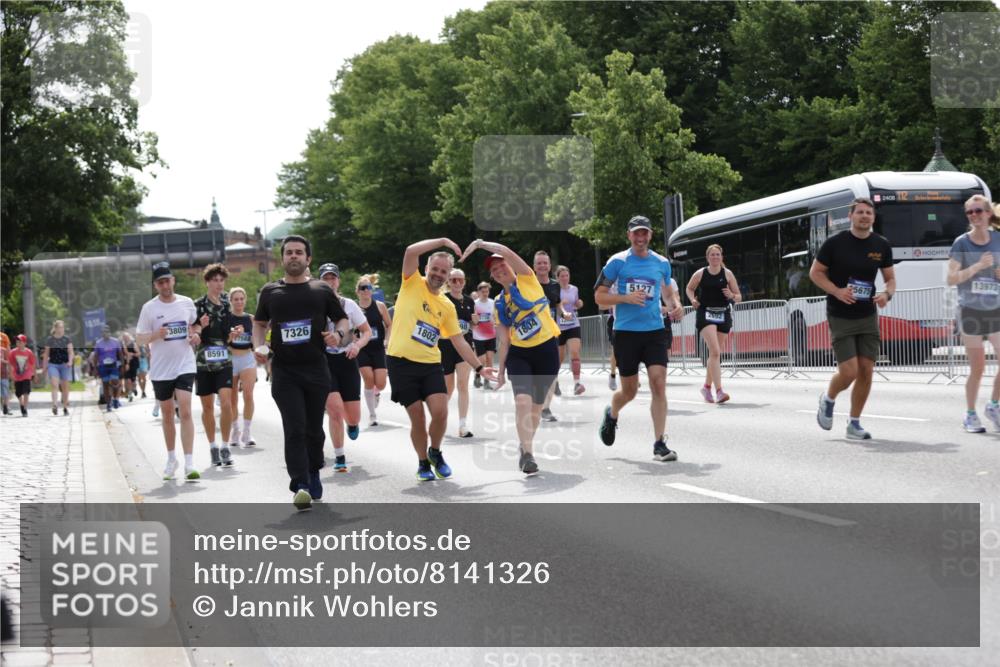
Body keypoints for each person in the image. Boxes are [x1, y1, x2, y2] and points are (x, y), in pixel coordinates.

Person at [253, 235, 349, 509]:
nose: (293, 256)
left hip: (316, 369)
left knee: (313, 429)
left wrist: (339, 335)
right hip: (284, 370)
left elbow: (340, 319)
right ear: (282, 259)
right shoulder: (270, 292)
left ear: (308, 259)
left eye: (299, 252)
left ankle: (314, 470)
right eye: (289, 253)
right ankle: (300, 484)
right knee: (294, 427)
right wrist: (259, 346)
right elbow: (259, 323)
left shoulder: (321, 290)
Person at [386, 238, 494, 482]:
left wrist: (479, 367)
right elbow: (410, 250)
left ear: (447, 277)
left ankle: (435, 452)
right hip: (400, 362)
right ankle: (422, 462)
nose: (438, 274)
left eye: (443, 271)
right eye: (434, 269)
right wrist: (444, 241)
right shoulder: (411, 282)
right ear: (426, 269)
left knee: (441, 411)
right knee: (418, 417)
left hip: (430, 363)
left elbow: (458, 340)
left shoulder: (447, 305)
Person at [462, 241, 561, 475]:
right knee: (522, 402)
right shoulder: (499, 303)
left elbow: (506, 251)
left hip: (546, 350)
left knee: (536, 408)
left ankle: (524, 444)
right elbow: (504, 341)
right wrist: (502, 372)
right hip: (520, 355)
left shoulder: (527, 278)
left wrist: (480, 244)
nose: (499, 271)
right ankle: (528, 455)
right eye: (494, 270)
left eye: (501, 266)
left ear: (511, 266)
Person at [595, 215, 684, 462]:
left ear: (651, 235)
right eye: (636, 233)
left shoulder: (661, 263)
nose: (640, 238)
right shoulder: (617, 262)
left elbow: (667, 292)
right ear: (629, 235)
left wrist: (676, 305)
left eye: (644, 233)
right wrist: (625, 298)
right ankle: (612, 413)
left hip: (654, 331)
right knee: (630, 391)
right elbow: (599, 297)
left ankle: (659, 444)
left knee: (658, 383)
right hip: (626, 333)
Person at [810, 197, 895, 440]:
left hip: (867, 314)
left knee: (867, 370)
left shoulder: (881, 245)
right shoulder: (835, 244)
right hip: (840, 314)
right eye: (860, 212)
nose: (865, 216)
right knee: (849, 372)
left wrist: (886, 294)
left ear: (873, 218)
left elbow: (890, 278)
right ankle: (828, 398)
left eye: (869, 213)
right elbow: (815, 273)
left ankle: (854, 423)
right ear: (851, 216)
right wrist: (837, 291)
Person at [136, 262, 201, 481]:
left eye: (167, 280)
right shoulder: (149, 308)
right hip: (161, 368)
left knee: (185, 410)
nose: (165, 285)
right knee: (166, 414)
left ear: (173, 280)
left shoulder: (187, 303)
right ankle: (172, 458)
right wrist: (156, 335)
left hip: (185, 363)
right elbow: (139, 338)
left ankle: (190, 462)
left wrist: (195, 335)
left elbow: (195, 325)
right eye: (160, 282)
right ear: (156, 285)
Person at [947, 194, 1000, 432]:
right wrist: (978, 265)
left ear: (988, 213)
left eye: (979, 211)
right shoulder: (961, 243)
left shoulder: (998, 239)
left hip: (995, 308)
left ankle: (994, 405)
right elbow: (951, 278)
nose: (975, 216)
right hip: (970, 310)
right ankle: (970, 414)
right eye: (970, 212)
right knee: (977, 367)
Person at [318, 263, 371, 473]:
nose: (330, 281)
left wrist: (357, 346)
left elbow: (365, 331)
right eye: (325, 278)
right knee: (334, 410)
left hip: (347, 360)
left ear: (338, 281)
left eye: (333, 278)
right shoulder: (314, 304)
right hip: (324, 362)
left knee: (353, 415)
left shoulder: (348, 304)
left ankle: (353, 424)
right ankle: (340, 456)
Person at [686, 244, 742, 404]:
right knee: (715, 351)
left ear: (721, 257)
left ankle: (706, 387)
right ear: (708, 257)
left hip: (723, 313)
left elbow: (739, 296)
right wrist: (693, 300)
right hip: (705, 313)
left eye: (718, 254)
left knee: (715, 355)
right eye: (713, 255)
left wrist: (732, 295)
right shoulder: (701, 273)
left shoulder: (728, 274)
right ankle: (719, 391)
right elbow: (689, 288)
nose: (715, 257)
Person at [193, 263, 236, 467]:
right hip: (203, 361)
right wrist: (200, 326)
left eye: (221, 280)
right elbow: (192, 333)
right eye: (215, 280)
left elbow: (228, 336)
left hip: (224, 359)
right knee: (207, 407)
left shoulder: (227, 305)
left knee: (226, 402)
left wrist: (233, 335)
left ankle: (225, 445)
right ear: (207, 282)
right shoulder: (197, 305)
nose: (219, 284)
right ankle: (213, 447)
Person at [441, 268, 477, 438]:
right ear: (448, 282)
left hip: (464, 346)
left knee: (463, 385)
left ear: (464, 282)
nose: (457, 283)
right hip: (445, 347)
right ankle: (438, 417)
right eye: (453, 280)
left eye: (460, 280)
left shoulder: (470, 301)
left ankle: (463, 425)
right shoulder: (443, 299)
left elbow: (471, 323)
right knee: (448, 388)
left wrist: (474, 321)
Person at [355, 274, 391, 426]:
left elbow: (389, 325)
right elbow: (348, 326)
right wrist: (353, 340)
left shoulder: (380, 306)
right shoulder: (354, 308)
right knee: (368, 379)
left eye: (368, 287)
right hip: (362, 348)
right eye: (362, 288)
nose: (365, 290)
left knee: (381, 383)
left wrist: (387, 340)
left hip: (377, 348)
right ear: (357, 291)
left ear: (372, 290)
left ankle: (376, 393)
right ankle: (372, 415)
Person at [227, 286, 257, 447]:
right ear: (231, 301)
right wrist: (231, 335)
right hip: (231, 358)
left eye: (241, 299)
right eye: (235, 299)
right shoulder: (227, 318)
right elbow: (221, 342)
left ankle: (247, 431)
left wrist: (258, 345)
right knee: (232, 398)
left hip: (247, 358)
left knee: (248, 395)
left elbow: (257, 340)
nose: (239, 302)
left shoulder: (251, 319)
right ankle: (235, 430)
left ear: (245, 300)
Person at [533, 251, 561, 421]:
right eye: (539, 263)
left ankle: (546, 408)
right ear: (534, 266)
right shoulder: (528, 284)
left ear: (549, 266)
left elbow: (557, 303)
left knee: (552, 372)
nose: (542, 266)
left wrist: (563, 312)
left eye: (545, 263)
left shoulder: (555, 285)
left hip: (551, 334)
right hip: (532, 336)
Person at [554, 265, 586, 396]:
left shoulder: (574, 289)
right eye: (562, 276)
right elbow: (555, 306)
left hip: (573, 324)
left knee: (575, 353)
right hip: (558, 327)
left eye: (567, 275)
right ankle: (554, 381)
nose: (565, 278)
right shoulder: (554, 289)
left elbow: (577, 303)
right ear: (557, 278)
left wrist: (579, 304)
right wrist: (562, 307)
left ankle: (577, 383)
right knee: (559, 358)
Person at [42, 320, 74, 415]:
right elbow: (46, 354)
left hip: (64, 365)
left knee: (65, 387)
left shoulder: (67, 339)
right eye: (59, 327)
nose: (61, 329)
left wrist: (70, 361)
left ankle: (65, 407)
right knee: (54, 384)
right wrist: (44, 367)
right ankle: (55, 405)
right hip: (53, 364)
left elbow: (71, 352)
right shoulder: (50, 340)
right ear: (55, 328)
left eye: (62, 328)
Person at [92, 326, 124, 412]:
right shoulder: (99, 343)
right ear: (101, 334)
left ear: (109, 333)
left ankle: (115, 399)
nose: (105, 334)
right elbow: (95, 356)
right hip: (103, 366)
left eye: (106, 332)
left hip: (113, 365)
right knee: (105, 385)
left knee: (115, 382)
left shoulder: (115, 341)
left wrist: (123, 365)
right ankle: (108, 404)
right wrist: (95, 368)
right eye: (103, 332)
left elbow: (120, 354)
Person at [472, 281, 496, 390]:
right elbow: (472, 319)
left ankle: (487, 382)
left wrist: (494, 322)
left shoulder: (492, 302)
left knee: (490, 358)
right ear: (479, 292)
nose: (485, 293)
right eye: (483, 291)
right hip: (478, 336)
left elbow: (495, 317)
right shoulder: (475, 304)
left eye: (487, 291)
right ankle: (477, 375)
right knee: (482, 360)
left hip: (491, 335)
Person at [9, 334, 36, 417]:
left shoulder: (29, 352)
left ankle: (25, 408)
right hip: (17, 375)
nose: (18, 343)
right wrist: (11, 373)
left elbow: (33, 363)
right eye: (17, 342)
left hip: (26, 374)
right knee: (18, 393)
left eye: (20, 342)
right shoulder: (13, 352)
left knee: (26, 392)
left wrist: (34, 374)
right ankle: (21, 404)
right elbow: (11, 364)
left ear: (25, 343)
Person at [121, 332, 139, 402]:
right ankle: (130, 394)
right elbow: (124, 355)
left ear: (129, 337)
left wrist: (133, 354)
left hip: (133, 364)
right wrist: (126, 364)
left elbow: (138, 354)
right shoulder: (122, 345)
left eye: (126, 337)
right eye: (124, 337)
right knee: (128, 380)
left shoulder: (133, 344)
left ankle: (134, 388)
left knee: (133, 380)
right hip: (126, 364)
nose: (125, 338)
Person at [1, 332, 10, 416]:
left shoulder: (4, 336)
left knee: (5, 390)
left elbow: (9, 357)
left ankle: (6, 406)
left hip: (3, 372)